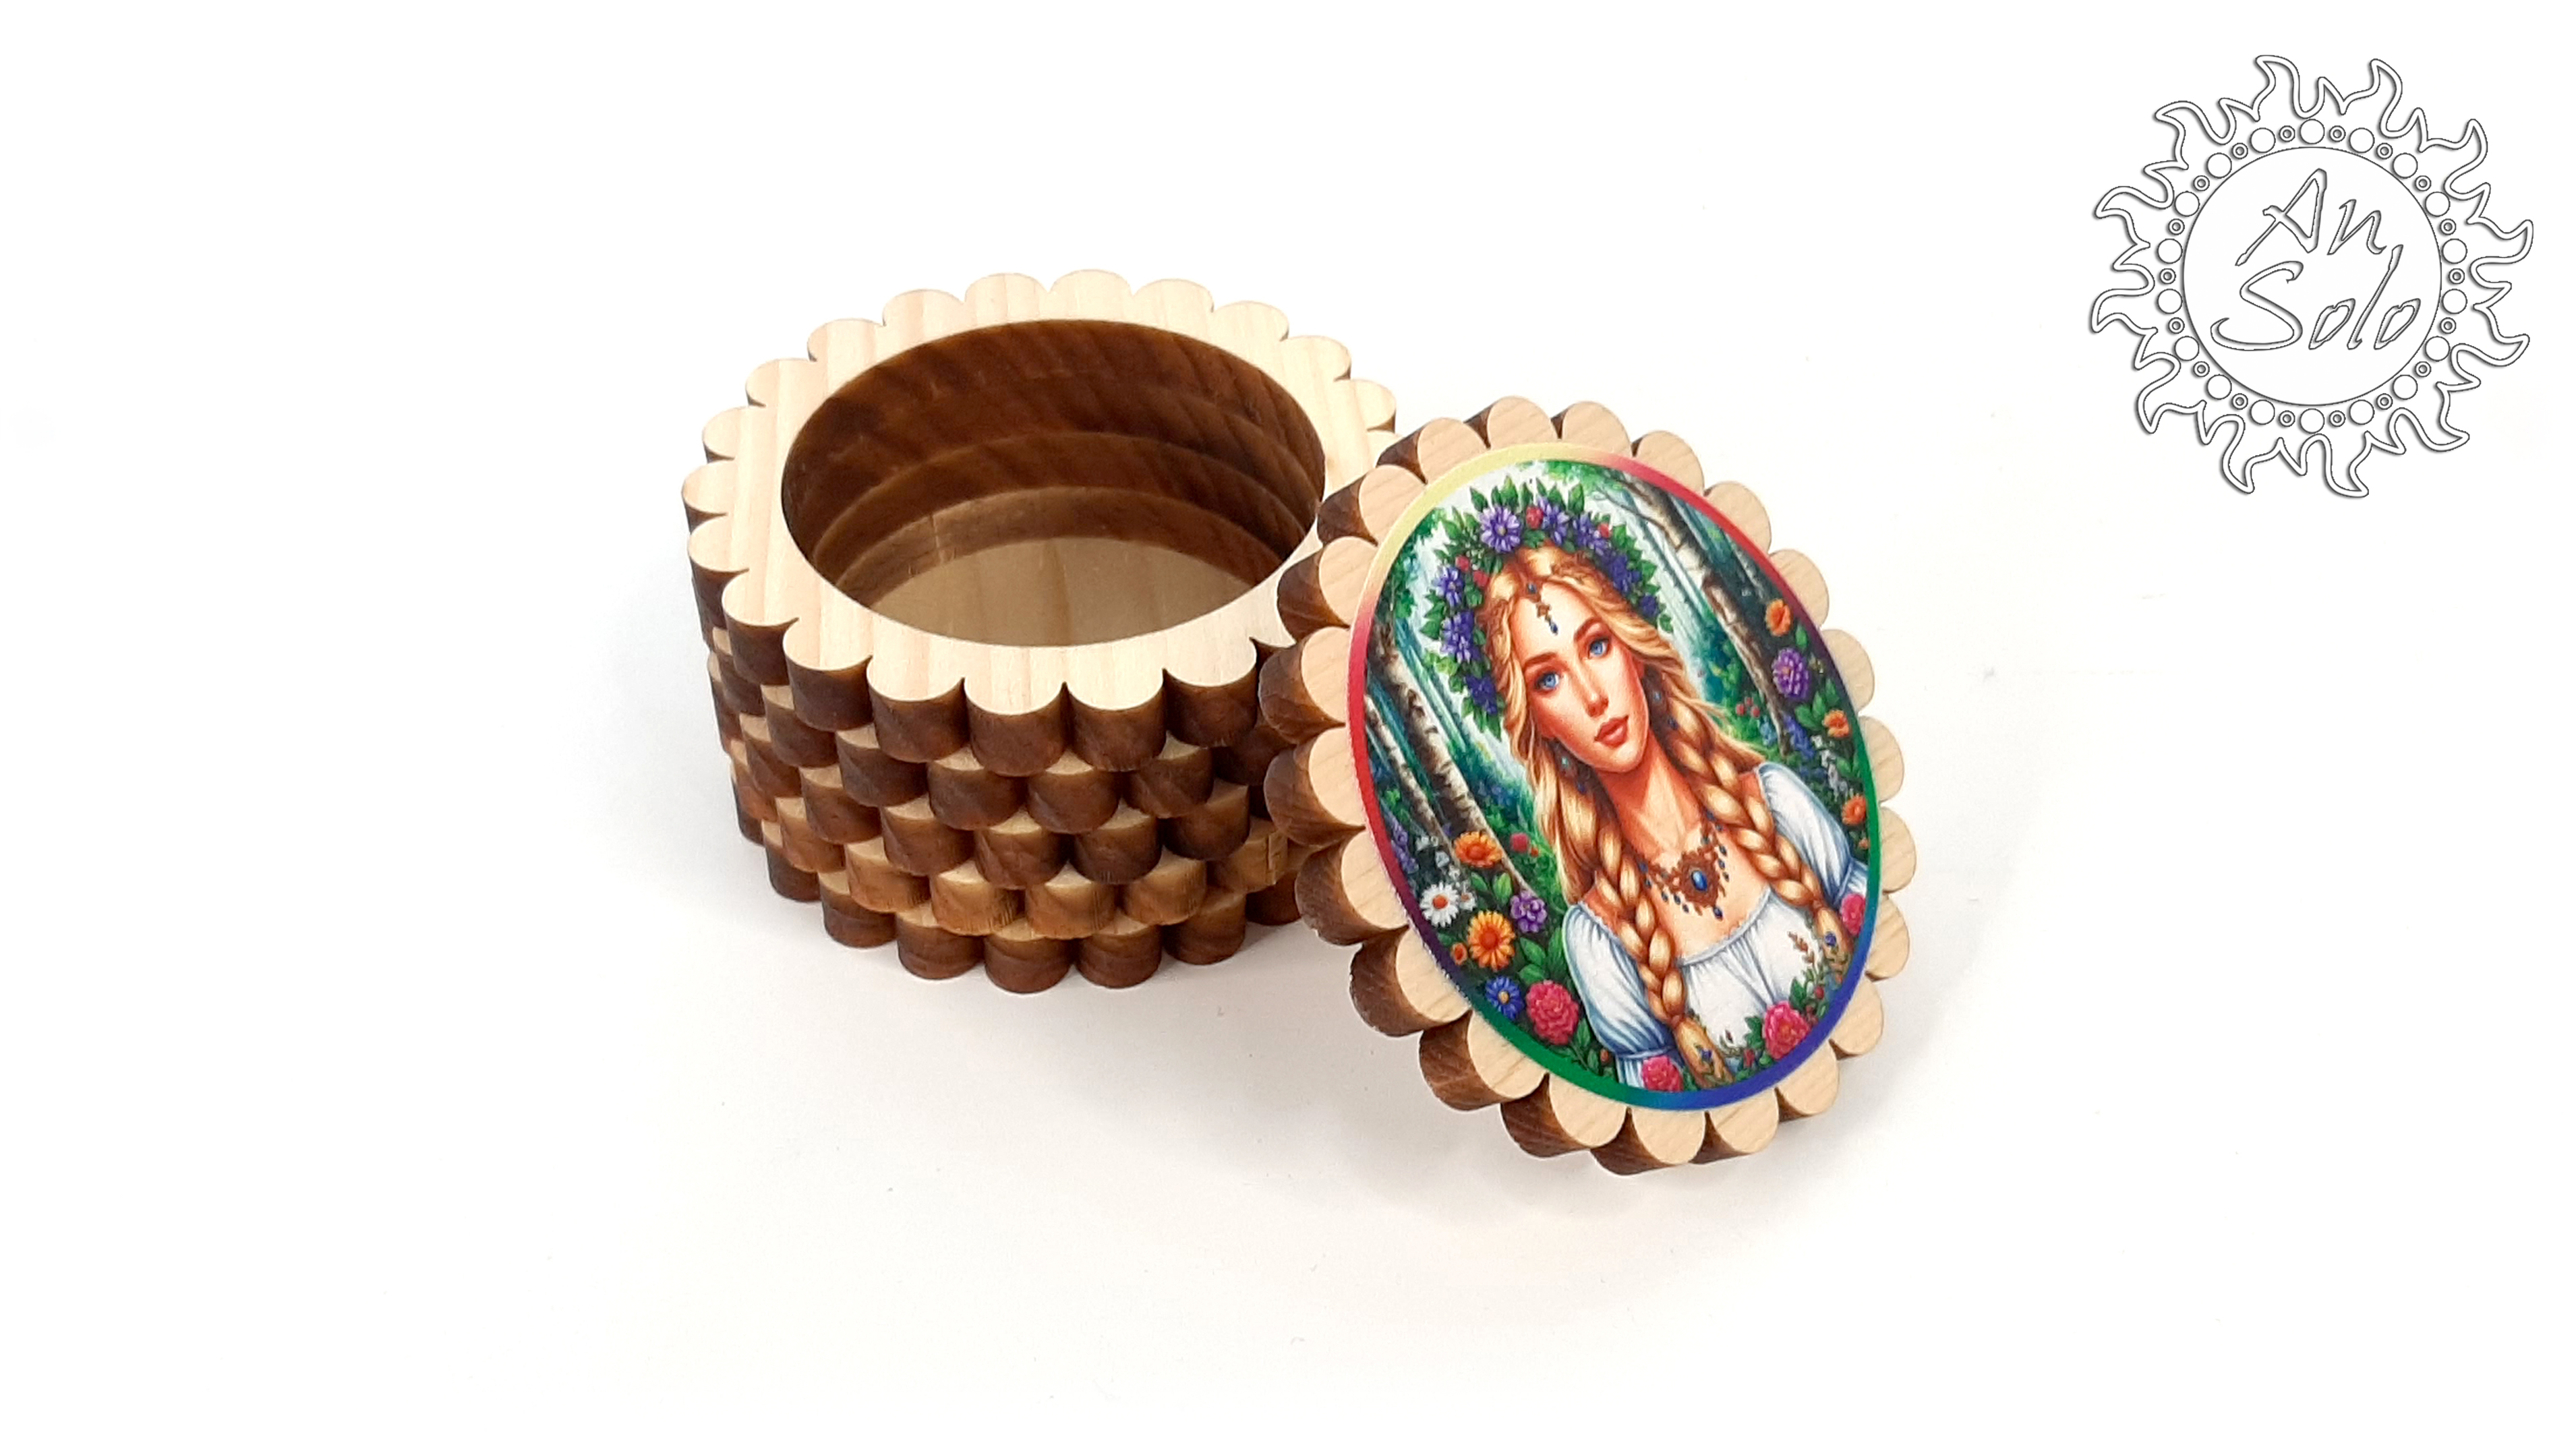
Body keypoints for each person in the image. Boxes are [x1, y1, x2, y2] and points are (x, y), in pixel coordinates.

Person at [1473, 541, 1867, 1090]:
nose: (1592, 695)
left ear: (1633, 647)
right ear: (1538, 721)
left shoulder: (1778, 804)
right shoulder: (1600, 942)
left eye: (1596, 646)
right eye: (1549, 679)